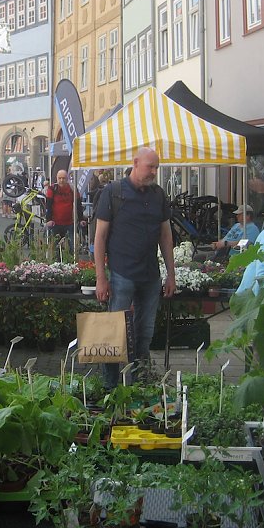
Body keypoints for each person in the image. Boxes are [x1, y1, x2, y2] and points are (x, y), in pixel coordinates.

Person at [94, 148, 176, 388]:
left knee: (144, 334)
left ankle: (139, 385)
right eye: (150, 167)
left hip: (150, 274)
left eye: (156, 167)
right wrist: (101, 278)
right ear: (136, 163)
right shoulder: (113, 192)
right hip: (122, 273)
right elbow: (100, 237)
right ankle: (110, 387)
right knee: (113, 333)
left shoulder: (158, 195)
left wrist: (171, 274)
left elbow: (166, 236)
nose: (154, 172)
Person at [45, 170, 86, 245]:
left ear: (67, 179)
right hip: (54, 223)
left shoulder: (73, 189)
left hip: (69, 223)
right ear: (57, 179)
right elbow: (48, 205)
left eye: (63, 178)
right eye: (59, 178)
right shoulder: (52, 189)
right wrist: (48, 220)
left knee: (72, 247)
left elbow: (78, 205)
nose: (61, 180)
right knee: (53, 247)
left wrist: (81, 219)